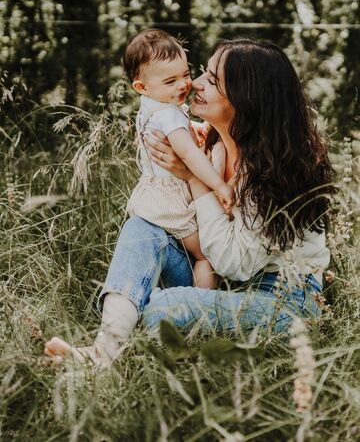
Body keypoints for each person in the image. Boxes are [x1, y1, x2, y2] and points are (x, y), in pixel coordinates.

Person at [44, 37, 336, 366]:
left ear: (246, 98)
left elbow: (233, 262)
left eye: (211, 80)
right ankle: (102, 353)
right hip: (221, 282)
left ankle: (151, 320)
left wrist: (192, 177)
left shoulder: (277, 170)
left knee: (164, 311)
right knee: (143, 229)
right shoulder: (214, 144)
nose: (193, 83)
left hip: (281, 300)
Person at [124, 29, 234, 290]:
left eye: (185, 75)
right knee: (206, 255)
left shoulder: (152, 105)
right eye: (171, 81)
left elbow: (176, 134)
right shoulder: (169, 115)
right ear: (141, 86)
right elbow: (189, 155)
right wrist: (220, 186)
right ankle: (199, 308)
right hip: (172, 203)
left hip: (152, 197)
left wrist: (193, 129)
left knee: (169, 251)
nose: (184, 85)